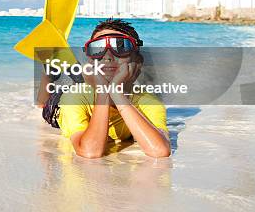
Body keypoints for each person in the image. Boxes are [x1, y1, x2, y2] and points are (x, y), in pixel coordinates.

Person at [52, 19, 171, 158]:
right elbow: (90, 152)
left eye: (120, 47)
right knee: (48, 103)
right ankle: (49, 73)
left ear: (137, 60)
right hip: (58, 107)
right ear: (91, 60)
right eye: (98, 48)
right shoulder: (74, 98)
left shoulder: (148, 101)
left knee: (79, 77)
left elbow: (159, 150)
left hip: (96, 83)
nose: (108, 56)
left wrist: (116, 93)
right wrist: (104, 92)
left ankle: (69, 65)